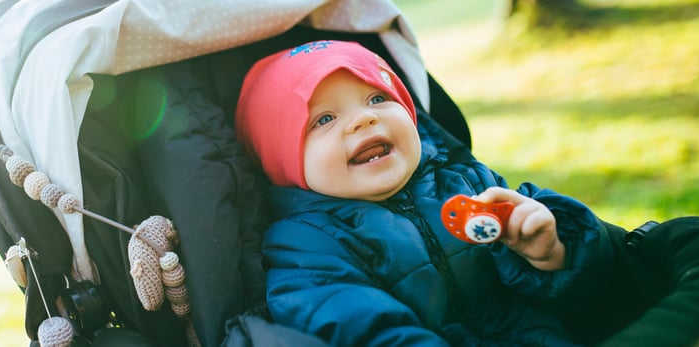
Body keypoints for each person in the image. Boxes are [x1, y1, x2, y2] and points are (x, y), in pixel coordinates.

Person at [233, 39, 614, 346]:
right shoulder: (303, 244)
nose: (365, 118)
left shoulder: (468, 182)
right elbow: (357, 324)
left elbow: (586, 267)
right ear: (285, 161)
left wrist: (551, 250)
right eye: (325, 119)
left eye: (378, 98)